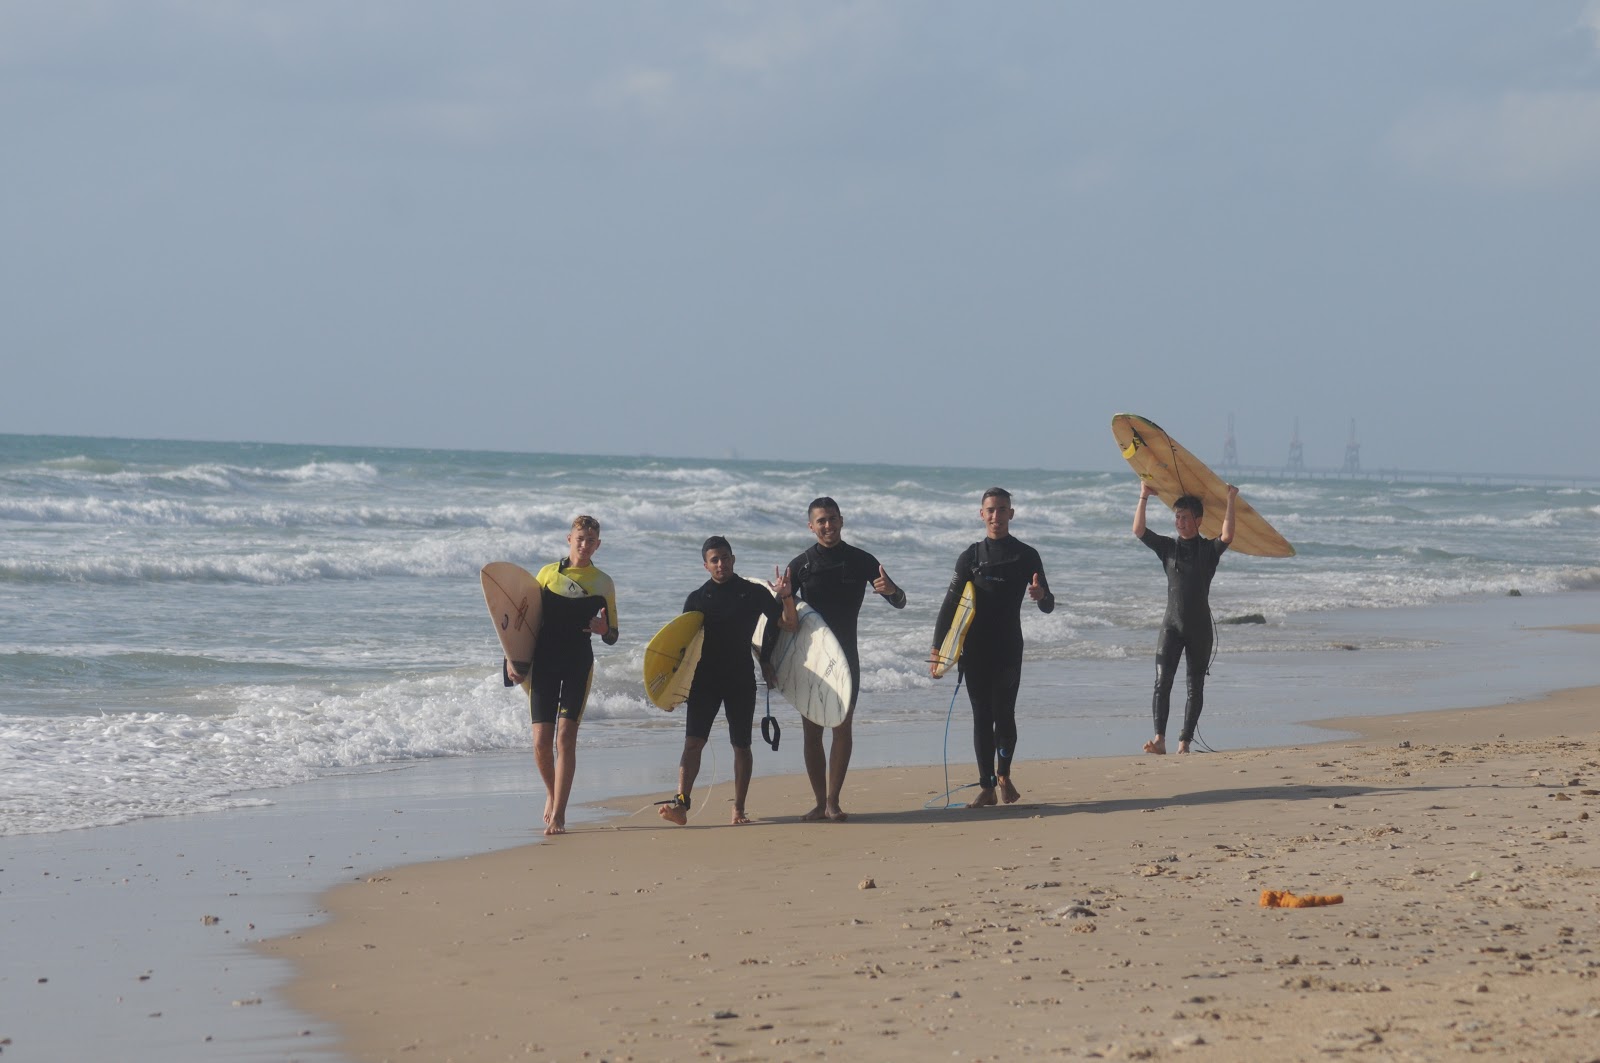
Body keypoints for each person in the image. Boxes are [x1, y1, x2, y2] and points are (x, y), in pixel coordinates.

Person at [929, 487, 1054, 808]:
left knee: (1004, 713)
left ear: (1011, 514)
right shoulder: (970, 557)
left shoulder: (1027, 555)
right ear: (981, 514)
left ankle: (1004, 774)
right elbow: (951, 604)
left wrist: (1041, 597)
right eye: (990, 510)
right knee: (981, 717)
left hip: (1008, 646)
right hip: (975, 649)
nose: (996, 516)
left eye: (1002, 509)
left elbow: (1048, 604)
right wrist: (937, 649)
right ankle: (986, 786)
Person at [658, 537, 796, 826]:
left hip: (739, 678)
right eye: (714, 560)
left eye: (725, 558)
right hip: (704, 681)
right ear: (705, 565)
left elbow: (786, 624)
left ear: (733, 559)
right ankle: (681, 805)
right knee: (693, 743)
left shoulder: (753, 592)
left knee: (741, 746)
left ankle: (739, 809)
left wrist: (785, 596)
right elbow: (683, 647)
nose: (721, 564)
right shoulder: (697, 599)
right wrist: (670, 693)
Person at [784, 497, 906, 822]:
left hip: (846, 656)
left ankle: (833, 801)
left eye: (833, 519)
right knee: (812, 731)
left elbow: (900, 601)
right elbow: (783, 621)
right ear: (811, 526)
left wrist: (891, 589)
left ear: (842, 520)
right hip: (810, 659)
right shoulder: (800, 566)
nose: (828, 526)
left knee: (842, 726)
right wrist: (783, 598)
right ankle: (818, 800)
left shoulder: (861, 561)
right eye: (821, 521)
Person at [505, 515, 618, 836]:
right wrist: (512, 661)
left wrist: (603, 628)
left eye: (591, 541)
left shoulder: (603, 583)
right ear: (569, 539)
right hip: (544, 662)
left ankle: (559, 815)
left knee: (565, 738)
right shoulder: (546, 575)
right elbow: (522, 624)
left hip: (578, 663)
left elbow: (613, 635)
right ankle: (553, 793)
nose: (585, 545)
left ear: (598, 545)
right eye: (580, 539)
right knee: (541, 744)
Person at [1132, 482, 1237, 754]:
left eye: (1185, 517)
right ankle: (1159, 739)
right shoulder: (1167, 548)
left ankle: (1184, 741)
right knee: (1161, 681)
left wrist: (1230, 499)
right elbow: (1139, 531)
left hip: (1200, 629)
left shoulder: (1208, 551)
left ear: (1198, 521)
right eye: (1177, 517)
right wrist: (1144, 496)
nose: (1180, 522)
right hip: (1172, 626)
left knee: (1195, 686)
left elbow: (1227, 535)